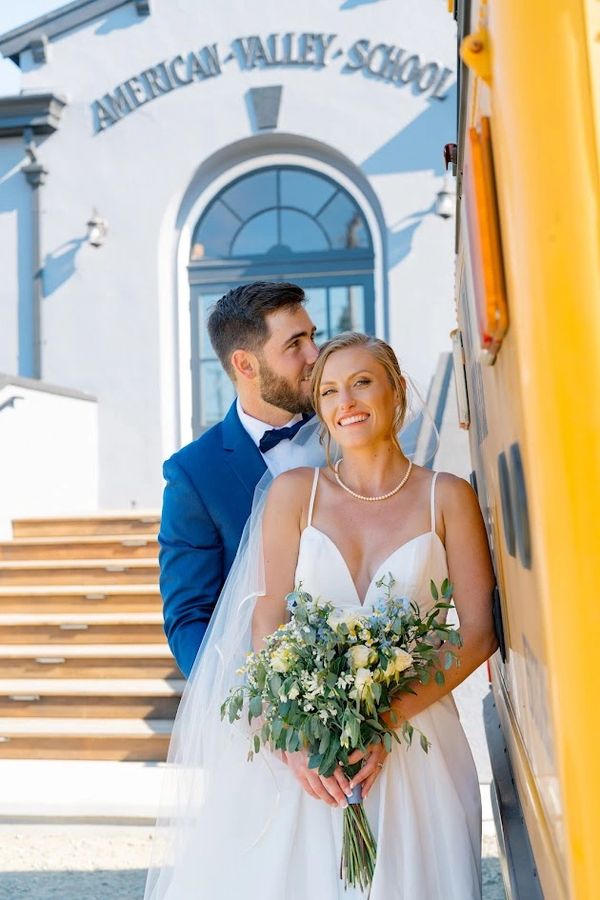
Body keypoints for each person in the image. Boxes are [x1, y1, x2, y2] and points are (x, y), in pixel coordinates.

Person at [145, 332, 497, 900]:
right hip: (308, 753)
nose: (346, 402)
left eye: (362, 383)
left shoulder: (448, 497)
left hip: (417, 746)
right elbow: (268, 619)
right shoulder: (293, 494)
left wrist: (384, 721)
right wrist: (292, 736)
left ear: (396, 390)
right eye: (329, 390)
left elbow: (478, 633)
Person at [158, 281, 319, 677]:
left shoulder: (349, 430)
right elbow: (189, 616)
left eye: (314, 337)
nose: (315, 355)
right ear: (245, 365)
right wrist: (246, 698)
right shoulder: (194, 474)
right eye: (295, 344)